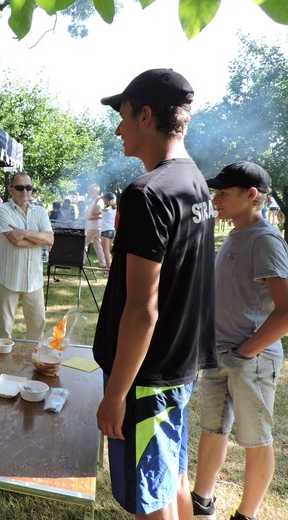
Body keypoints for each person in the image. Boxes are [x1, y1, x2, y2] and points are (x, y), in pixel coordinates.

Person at [94, 68, 217, 519]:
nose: (117, 128)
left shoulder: (146, 194)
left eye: (123, 116)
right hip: (179, 368)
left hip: (147, 377)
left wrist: (115, 394)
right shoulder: (195, 184)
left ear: (146, 115)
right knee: (173, 478)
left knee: (150, 500)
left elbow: (143, 309)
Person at [192, 162, 288, 520]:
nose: (215, 200)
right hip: (220, 354)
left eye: (223, 193)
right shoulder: (235, 233)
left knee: (255, 440)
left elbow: (286, 311)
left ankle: (245, 515)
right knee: (212, 429)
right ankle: (202, 502)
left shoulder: (264, 239)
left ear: (251, 196)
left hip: (251, 358)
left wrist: (244, 353)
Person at [0, 173, 52, 340]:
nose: (25, 191)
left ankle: (32, 363)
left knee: (36, 331)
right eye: (19, 187)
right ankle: (2, 364)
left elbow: (50, 238)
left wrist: (24, 233)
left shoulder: (40, 212)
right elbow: (15, 242)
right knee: (4, 332)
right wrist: (40, 239)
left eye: (29, 187)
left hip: (34, 281)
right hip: (9, 279)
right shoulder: (2, 210)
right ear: (10, 189)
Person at [84, 184, 107, 269]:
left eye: (91, 190)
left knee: (83, 243)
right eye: (89, 190)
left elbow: (97, 214)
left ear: (96, 191)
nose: (89, 192)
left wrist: (88, 217)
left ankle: (81, 261)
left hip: (94, 226)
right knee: (97, 245)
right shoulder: (95, 200)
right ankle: (103, 263)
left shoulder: (99, 201)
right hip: (95, 226)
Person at [99, 192, 117, 272]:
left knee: (105, 252)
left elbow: (97, 213)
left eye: (104, 199)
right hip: (112, 231)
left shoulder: (106, 209)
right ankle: (111, 268)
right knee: (108, 252)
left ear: (107, 200)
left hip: (105, 231)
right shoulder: (114, 208)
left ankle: (110, 271)